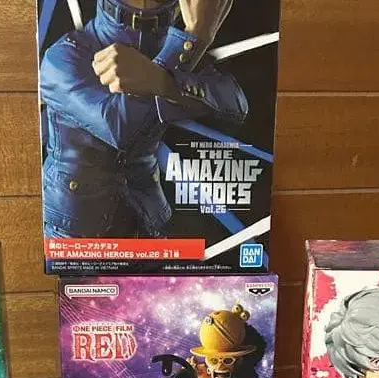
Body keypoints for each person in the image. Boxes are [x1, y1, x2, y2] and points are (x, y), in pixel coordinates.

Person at [39, 0, 246, 237]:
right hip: (75, 233)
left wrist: (166, 73)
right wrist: (191, 42)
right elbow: (121, 129)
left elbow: (236, 105)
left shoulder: (177, 49)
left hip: (147, 223)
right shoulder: (63, 56)